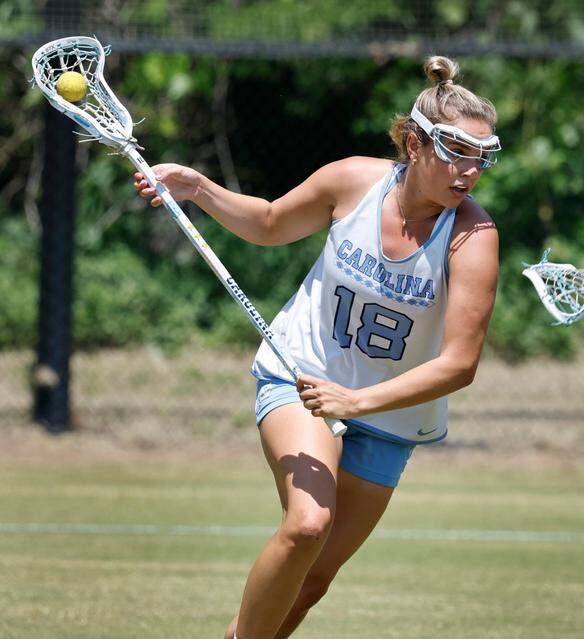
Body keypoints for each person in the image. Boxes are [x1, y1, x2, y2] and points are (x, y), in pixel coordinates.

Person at [133, 56, 501, 639]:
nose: (470, 170)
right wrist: (197, 187)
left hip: (389, 414)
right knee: (307, 525)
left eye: (482, 156)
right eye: (456, 151)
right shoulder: (353, 181)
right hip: (302, 375)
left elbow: (459, 365)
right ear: (414, 143)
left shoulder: (473, 237)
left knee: (312, 581)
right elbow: (270, 223)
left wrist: (356, 402)